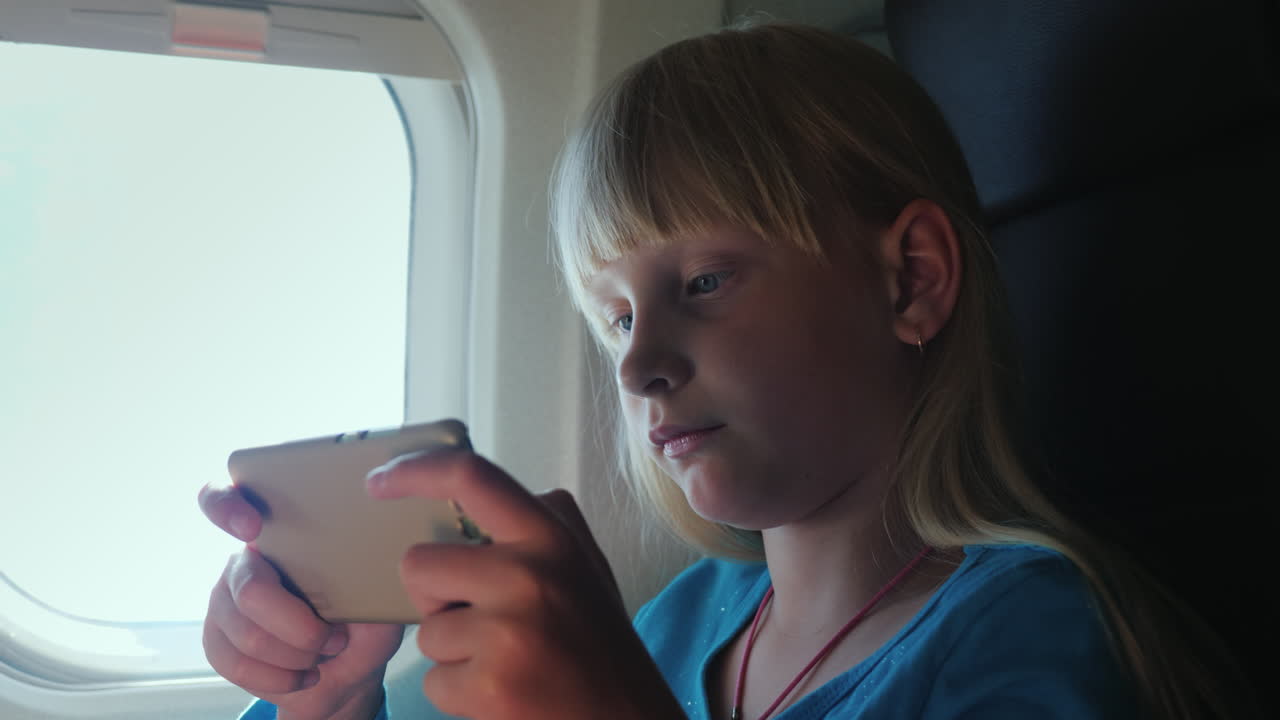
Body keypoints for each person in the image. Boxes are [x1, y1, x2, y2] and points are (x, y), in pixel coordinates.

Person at [197, 21, 1252, 720]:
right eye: (612, 317)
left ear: (911, 280)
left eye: (702, 282)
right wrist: (330, 700)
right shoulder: (685, 618)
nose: (641, 364)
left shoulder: (1030, 643)